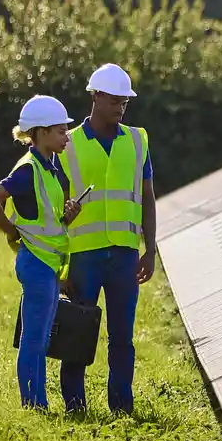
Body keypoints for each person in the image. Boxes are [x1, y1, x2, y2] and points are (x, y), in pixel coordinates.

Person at [59, 63, 157, 414]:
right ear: (95, 97)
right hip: (83, 256)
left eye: (125, 103)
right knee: (76, 333)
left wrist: (151, 249)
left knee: (122, 340)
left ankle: (122, 408)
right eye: (114, 101)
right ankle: (75, 407)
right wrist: (60, 266)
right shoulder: (66, 144)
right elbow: (51, 205)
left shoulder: (137, 140)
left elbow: (147, 196)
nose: (120, 108)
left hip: (126, 256)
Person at [0, 95, 85, 410]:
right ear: (40, 133)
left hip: (48, 264)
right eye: (60, 131)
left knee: (42, 339)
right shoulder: (27, 169)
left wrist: (67, 216)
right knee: (34, 340)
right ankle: (33, 405)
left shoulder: (49, 167)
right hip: (35, 263)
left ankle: (37, 403)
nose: (67, 136)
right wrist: (11, 231)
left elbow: (44, 218)